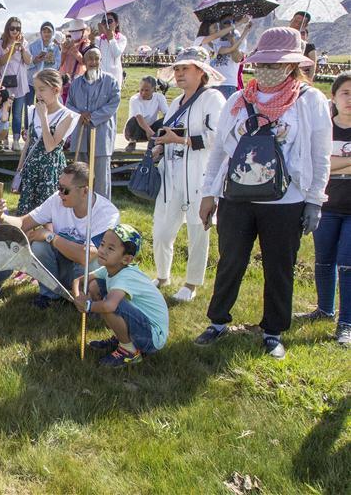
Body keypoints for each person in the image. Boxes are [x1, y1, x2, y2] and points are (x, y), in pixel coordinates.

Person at [197, 27, 332, 359]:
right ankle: (217, 321)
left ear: (291, 66)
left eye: (276, 63)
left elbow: (320, 152)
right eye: (263, 63)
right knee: (231, 260)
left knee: (279, 265)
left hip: (286, 201)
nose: (267, 69)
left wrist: (315, 198)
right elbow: (219, 153)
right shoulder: (239, 99)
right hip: (237, 197)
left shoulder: (309, 100)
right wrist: (208, 193)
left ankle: (273, 330)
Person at [152, 48, 226, 301]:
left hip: (199, 174)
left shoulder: (213, 99)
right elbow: (170, 133)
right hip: (172, 174)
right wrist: (161, 146)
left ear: (201, 72)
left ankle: (192, 284)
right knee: (161, 229)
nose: (180, 73)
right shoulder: (175, 102)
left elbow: (218, 137)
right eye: (177, 69)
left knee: (197, 229)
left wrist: (181, 139)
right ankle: (163, 276)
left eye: (186, 68)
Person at [0, 162, 120, 308]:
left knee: (85, 258)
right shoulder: (56, 200)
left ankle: (84, 297)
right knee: (39, 246)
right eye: (58, 187)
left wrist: (50, 236)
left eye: (65, 190)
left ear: (85, 191)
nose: (59, 193)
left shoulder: (108, 214)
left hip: (88, 272)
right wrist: (1, 217)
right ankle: (50, 295)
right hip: (65, 266)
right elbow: (23, 223)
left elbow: (87, 255)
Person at [296, 71, 351, 346]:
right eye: (345, 93)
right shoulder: (326, 128)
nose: (350, 99)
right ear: (334, 97)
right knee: (324, 260)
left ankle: (346, 322)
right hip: (327, 204)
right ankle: (323, 309)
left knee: (347, 264)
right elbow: (315, 160)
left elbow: (326, 163)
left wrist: (331, 162)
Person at [73, 224, 169, 367]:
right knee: (95, 285)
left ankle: (129, 351)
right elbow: (79, 280)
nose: (102, 251)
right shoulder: (110, 268)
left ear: (126, 259)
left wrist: (87, 306)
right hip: (143, 325)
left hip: (152, 337)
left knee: (109, 304)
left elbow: (109, 305)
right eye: (103, 244)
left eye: (110, 248)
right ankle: (123, 339)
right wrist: (78, 296)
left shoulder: (125, 276)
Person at [16, 69, 79, 216]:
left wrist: (44, 118)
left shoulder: (67, 116)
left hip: (50, 172)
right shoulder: (32, 111)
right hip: (31, 169)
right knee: (26, 214)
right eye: (36, 89)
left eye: (42, 90)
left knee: (49, 215)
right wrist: (19, 169)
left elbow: (50, 146)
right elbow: (28, 143)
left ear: (55, 90)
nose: (38, 94)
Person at [66, 47, 121, 199]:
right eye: (90, 58)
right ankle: (81, 206)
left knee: (101, 175)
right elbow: (69, 104)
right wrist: (79, 115)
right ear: (84, 61)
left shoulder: (111, 82)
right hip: (81, 133)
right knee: (81, 173)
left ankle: (102, 211)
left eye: (97, 58)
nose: (93, 62)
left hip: (101, 134)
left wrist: (93, 116)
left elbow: (113, 104)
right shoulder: (76, 83)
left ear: (101, 61)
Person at [0, 17, 33, 151]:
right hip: (4, 82)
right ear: (7, 28)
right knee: (4, 112)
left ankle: (15, 139)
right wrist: (10, 51)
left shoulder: (24, 42)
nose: (15, 31)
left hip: (20, 83)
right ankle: (3, 138)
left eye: (18, 28)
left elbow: (28, 61)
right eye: (12, 28)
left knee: (17, 113)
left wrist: (21, 49)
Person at [209, 14, 251, 98]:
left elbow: (237, 59)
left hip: (228, 84)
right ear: (220, 24)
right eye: (227, 22)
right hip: (212, 83)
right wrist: (244, 32)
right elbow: (221, 50)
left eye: (233, 22)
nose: (231, 24)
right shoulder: (216, 39)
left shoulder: (238, 38)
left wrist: (232, 40)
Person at [124, 76, 169, 152]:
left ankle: (159, 143)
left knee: (166, 119)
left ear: (154, 89)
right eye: (141, 90)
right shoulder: (134, 99)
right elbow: (139, 117)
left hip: (151, 129)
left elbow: (167, 114)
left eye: (147, 90)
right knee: (134, 119)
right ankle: (132, 142)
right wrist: (149, 132)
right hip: (135, 130)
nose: (143, 93)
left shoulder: (159, 98)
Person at [27, 21, 62, 109]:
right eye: (44, 31)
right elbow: (26, 64)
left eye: (49, 31)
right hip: (31, 82)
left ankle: (41, 122)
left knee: (44, 106)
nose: (46, 34)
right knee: (29, 107)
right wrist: (35, 61)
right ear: (41, 33)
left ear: (53, 33)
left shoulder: (56, 47)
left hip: (46, 82)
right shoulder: (33, 46)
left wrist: (52, 62)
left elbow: (58, 66)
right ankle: (29, 123)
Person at [95, 12, 127, 88]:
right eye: (104, 22)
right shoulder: (98, 39)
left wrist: (111, 39)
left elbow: (116, 53)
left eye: (109, 21)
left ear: (116, 23)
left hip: (115, 75)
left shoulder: (122, 39)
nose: (107, 24)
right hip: (100, 76)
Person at [290, 11, 317, 79]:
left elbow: (313, 66)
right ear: (291, 20)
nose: (296, 25)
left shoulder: (308, 46)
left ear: (305, 25)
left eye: (300, 23)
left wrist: (309, 80)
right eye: (295, 21)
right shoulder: (281, 37)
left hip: (300, 77)